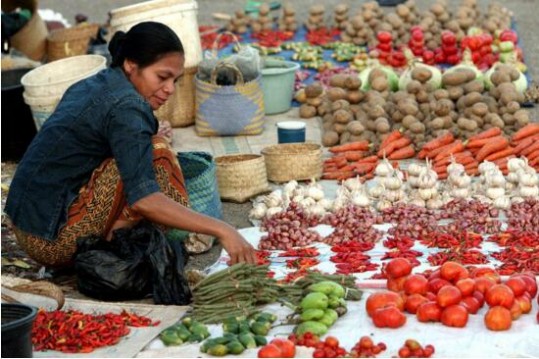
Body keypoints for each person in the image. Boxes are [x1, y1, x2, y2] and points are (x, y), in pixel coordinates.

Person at [5, 21, 256, 268]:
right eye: (162, 77)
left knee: (145, 148)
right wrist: (223, 230)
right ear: (131, 65)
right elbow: (144, 200)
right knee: (159, 156)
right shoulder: (127, 107)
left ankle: (116, 238)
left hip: (28, 225)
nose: (169, 89)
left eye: (175, 81)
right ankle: (114, 250)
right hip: (51, 242)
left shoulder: (99, 82)